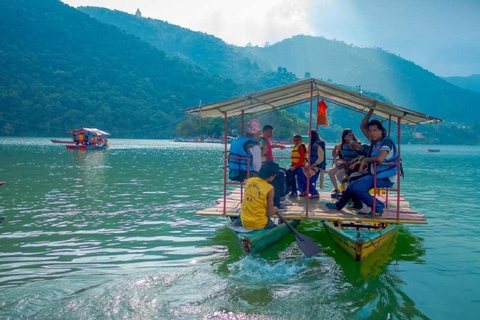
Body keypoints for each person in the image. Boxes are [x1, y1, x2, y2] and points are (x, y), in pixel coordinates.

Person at [326, 108, 399, 216]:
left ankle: (378, 206)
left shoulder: (386, 142)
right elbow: (363, 125)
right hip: (375, 174)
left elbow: (379, 159)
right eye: (370, 131)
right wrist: (371, 110)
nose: (372, 133)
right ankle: (339, 205)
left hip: (385, 177)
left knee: (358, 188)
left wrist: (365, 160)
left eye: (375, 130)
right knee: (352, 184)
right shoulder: (374, 143)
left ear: (381, 131)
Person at [239, 162, 280, 230]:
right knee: (274, 226)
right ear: (271, 176)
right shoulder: (269, 188)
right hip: (259, 224)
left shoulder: (249, 181)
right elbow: (269, 213)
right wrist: (276, 209)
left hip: (244, 221)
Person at [258, 124, 289, 208]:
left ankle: (282, 196)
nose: (271, 133)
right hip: (266, 165)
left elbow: (269, 147)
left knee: (285, 172)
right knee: (280, 175)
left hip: (270, 164)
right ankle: (281, 197)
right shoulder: (262, 140)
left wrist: (278, 146)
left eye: (272, 132)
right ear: (264, 131)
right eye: (270, 131)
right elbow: (263, 149)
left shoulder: (266, 140)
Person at [327, 128, 362, 199]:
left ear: (352, 136)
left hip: (354, 165)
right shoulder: (341, 145)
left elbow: (361, 156)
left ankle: (346, 191)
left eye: (349, 135)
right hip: (344, 164)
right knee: (331, 171)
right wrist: (334, 149)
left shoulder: (357, 144)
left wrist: (352, 162)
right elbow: (334, 155)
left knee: (339, 174)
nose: (347, 138)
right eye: (346, 136)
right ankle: (337, 189)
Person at [299, 130, 326, 199]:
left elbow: (321, 157)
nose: (309, 136)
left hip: (317, 165)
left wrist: (314, 164)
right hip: (309, 164)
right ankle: (303, 190)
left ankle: (314, 193)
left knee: (308, 179)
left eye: (309, 135)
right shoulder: (310, 144)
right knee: (300, 173)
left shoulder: (319, 144)